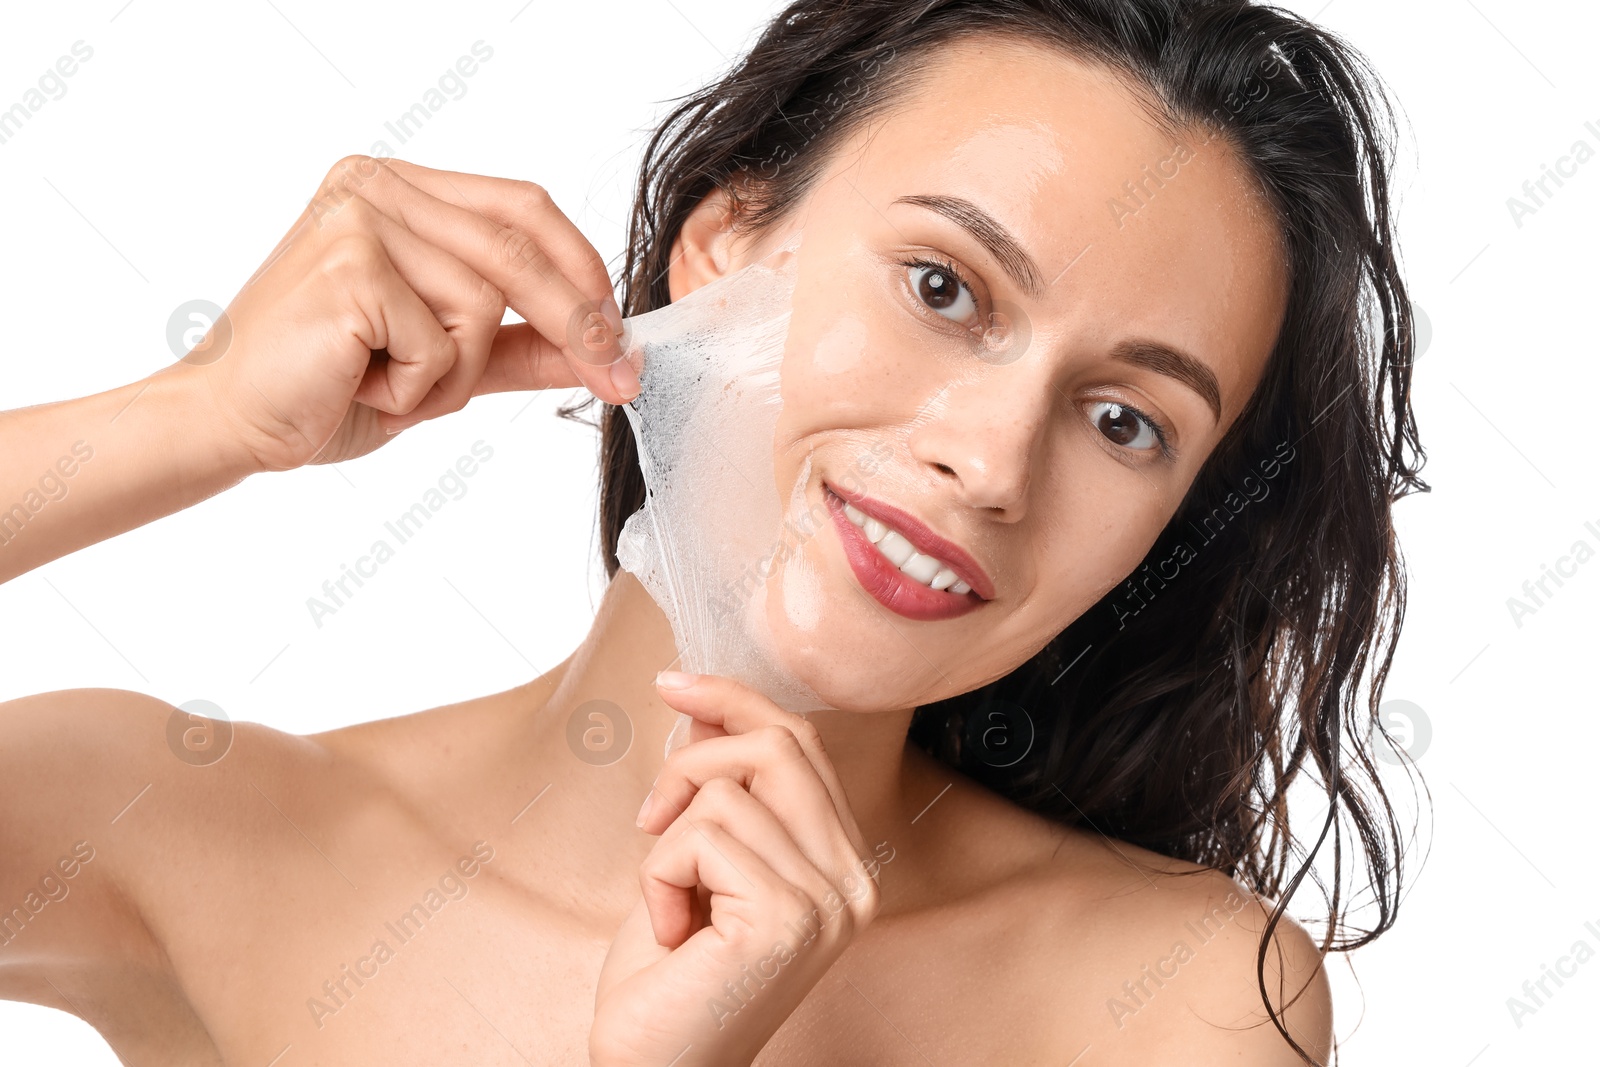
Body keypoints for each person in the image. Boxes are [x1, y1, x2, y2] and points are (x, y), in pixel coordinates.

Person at [0, 1, 1425, 1063]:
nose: (990, 463)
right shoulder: (176, 830)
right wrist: (192, 418)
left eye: (1127, 423)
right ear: (728, 242)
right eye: (944, 286)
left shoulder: (1173, 1003)